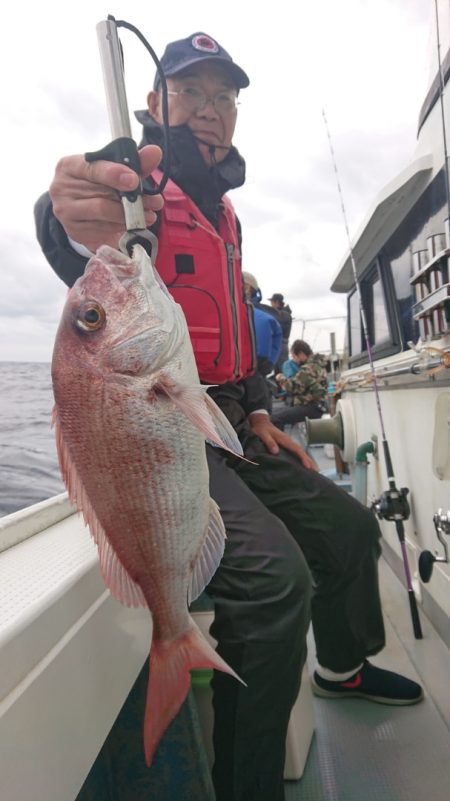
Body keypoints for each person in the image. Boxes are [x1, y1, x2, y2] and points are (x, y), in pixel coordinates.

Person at [34, 31, 423, 801]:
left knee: (349, 527)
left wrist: (261, 412)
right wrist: (62, 211)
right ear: (156, 103)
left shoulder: (225, 214)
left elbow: (233, 343)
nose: (210, 110)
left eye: (224, 96)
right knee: (274, 583)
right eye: (191, 93)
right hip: (172, 434)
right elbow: (77, 234)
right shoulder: (138, 194)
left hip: (232, 424)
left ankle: (341, 665)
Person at [272, 339, 328, 430]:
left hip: (311, 408)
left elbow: (291, 387)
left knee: (275, 418)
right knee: (280, 414)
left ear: (301, 354)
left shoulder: (308, 368)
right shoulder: (318, 365)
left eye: (294, 356)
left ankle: (280, 439)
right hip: (318, 406)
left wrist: (280, 377)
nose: (294, 361)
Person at [242, 271, 282, 377]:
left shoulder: (251, 314)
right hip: (257, 373)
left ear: (247, 288)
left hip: (244, 372)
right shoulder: (269, 316)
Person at [268, 292, 293, 372]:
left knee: (283, 370)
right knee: (277, 370)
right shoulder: (283, 314)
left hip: (281, 345)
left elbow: (276, 326)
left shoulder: (284, 314)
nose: (271, 305)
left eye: (272, 302)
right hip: (279, 345)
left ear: (277, 302)